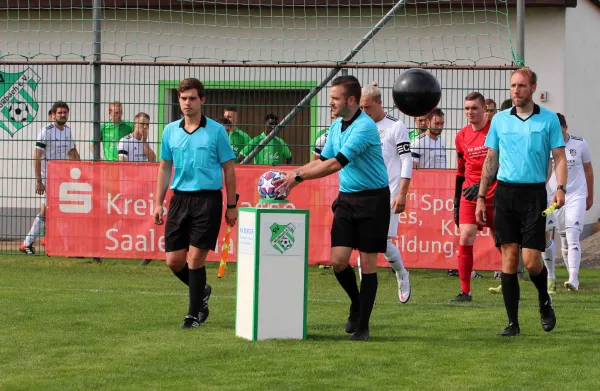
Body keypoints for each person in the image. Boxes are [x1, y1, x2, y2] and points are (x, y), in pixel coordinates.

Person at [274, 75, 390, 341]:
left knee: (368, 264)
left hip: (373, 199)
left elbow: (336, 164)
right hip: (347, 199)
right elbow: (322, 160)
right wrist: (293, 174)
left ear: (351, 100)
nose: (331, 104)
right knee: (338, 262)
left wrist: (298, 178)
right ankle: (356, 303)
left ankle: (363, 327)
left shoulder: (364, 127)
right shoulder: (337, 126)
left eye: (335, 99)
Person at [476, 67, 566, 337]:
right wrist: (481, 196)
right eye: (513, 86)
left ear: (533, 88)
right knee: (509, 257)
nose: (516, 90)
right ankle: (513, 323)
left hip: (534, 195)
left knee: (531, 261)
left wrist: (560, 188)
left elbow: (559, 158)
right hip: (505, 193)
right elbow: (491, 158)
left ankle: (543, 300)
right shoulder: (500, 120)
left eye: (522, 86)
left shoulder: (548, 120)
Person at [153, 78, 238, 329]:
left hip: (208, 200)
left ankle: (192, 316)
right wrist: (158, 202)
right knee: (174, 261)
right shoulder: (170, 131)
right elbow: (165, 166)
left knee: (195, 260)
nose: (187, 103)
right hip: (179, 200)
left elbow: (229, 170)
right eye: (183, 98)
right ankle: (202, 290)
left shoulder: (216, 131)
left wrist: (231, 205)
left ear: (203, 100)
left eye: (192, 98)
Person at [359, 81, 412, 303]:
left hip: (388, 194)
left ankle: (402, 274)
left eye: (367, 107)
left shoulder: (395, 127)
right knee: (362, 244)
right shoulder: (360, 126)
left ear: (380, 103)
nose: (363, 112)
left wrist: (402, 192)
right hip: (363, 193)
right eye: (360, 108)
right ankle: (363, 296)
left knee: (383, 243)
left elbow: (406, 159)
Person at [451, 92, 497, 302]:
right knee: (466, 236)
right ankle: (465, 291)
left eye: (474, 108)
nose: (470, 112)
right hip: (470, 195)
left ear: (484, 110)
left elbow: (502, 163)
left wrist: (484, 183)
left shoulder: (495, 131)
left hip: (495, 193)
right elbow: (461, 169)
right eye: (467, 108)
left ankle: (509, 283)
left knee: (502, 243)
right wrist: (456, 201)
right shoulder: (461, 136)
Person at [21, 101, 81, 254]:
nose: (62, 115)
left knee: (47, 211)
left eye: (65, 112)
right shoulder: (46, 131)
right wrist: (39, 180)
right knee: (58, 210)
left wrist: (81, 169)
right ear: (53, 115)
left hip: (61, 176)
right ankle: (68, 247)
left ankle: (30, 243)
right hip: (47, 176)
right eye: (59, 112)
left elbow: (72, 151)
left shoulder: (67, 131)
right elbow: (37, 155)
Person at [545, 113, 594, 291]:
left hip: (576, 195)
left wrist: (590, 195)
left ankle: (574, 279)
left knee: (573, 235)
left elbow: (588, 170)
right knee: (563, 237)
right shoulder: (547, 146)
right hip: (554, 197)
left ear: (565, 127)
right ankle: (562, 275)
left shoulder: (580, 144)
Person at [118, 112, 157, 266]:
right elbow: (122, 164)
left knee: (144, 219)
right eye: (142, 124)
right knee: (125, 220)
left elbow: (153, 159)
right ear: (135, 124)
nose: (145, 127)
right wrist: (136, 178)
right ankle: (116, 248)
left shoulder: (145, 143)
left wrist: (145, 142)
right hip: (129, 188)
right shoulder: (125, 141)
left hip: (144, 189)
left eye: (147, 124)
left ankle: (145, 253)